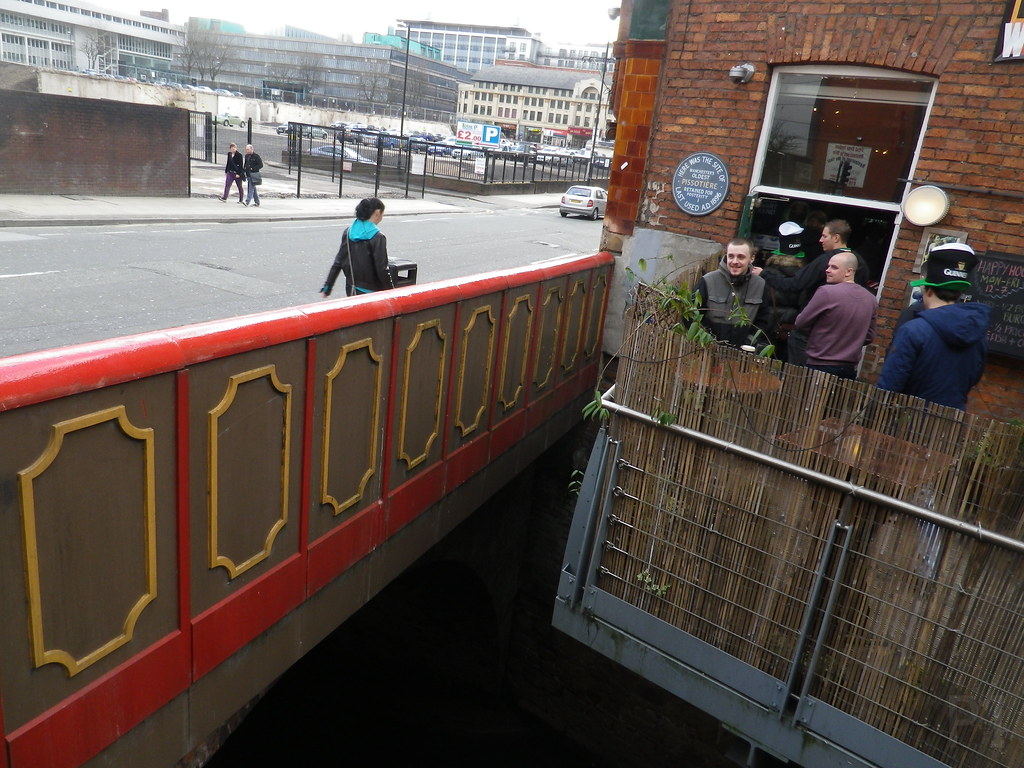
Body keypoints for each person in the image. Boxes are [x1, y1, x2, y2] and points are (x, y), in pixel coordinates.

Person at [877, 243, 989, 410]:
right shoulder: (978, 334)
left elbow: (890, 383)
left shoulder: (913, 330)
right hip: (951, 418)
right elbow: (973, 378)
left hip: (909, 417)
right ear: (959, 293)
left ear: (928, 291)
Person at [752, 219, 870, 366]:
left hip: (817, 328)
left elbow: (795, 284)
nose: (820, 240)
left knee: (798, 364)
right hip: (843, 334)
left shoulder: (826, 260)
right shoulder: (860, 263)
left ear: (836, 238)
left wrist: (764, 274)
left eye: (824, 236)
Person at [793, 251, 876, 379]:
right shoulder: (870, 299)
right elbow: (869, 336)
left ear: (849, 272)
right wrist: (850, 343)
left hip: (820, 364)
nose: (827, 270)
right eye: (828, 266)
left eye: (834, 267)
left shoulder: (826, 292)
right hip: (849, 368)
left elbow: (801, 322)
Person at [695, 237, 766, 347]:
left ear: (752, 258)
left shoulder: (761, 285)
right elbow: (692, 315)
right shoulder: (708, 281)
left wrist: (749, 342)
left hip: (744, 353)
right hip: (707, 349)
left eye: (741, 257)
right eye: (731, 256)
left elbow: (765, 321)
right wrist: (706, 339)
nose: (735, 261)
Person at [320, 198, 396, 297]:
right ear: (377, 212)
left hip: (352, 289)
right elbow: (382, 269)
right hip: (372, 292)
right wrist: (392, 292)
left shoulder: (348, 232)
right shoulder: (377, 237)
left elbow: (339, 261)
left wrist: (328, 286)